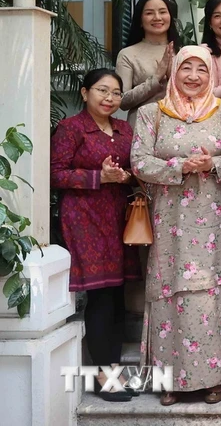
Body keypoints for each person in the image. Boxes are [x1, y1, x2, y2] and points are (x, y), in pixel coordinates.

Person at [131, 45, 221, 406]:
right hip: (170, 219)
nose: (193, 76)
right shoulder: (153, 114)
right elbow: (139, 161)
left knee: (213, 292)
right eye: (186, 68)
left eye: (201, 69)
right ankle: (171, 380)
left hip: (214, 217)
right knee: (171, 292)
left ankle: (215, 378)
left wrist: (212, 165)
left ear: (211, 74)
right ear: (175, 72)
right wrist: (181, 167)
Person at [51, 69, 139, 402]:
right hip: (84, 218)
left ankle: (112, 370)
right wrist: (97, 176)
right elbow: (55, 174)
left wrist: (124, 175)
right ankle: (102, 375)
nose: (110, 98)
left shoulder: (124, 128)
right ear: (85, 92)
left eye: (116, 93)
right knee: (100, 295)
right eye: (102, 90)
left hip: (119, 217)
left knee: (117, 294)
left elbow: (134, 171)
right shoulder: (71, 127)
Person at [116, 0, 181, 128]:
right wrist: (156, 78)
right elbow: (122, 101)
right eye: (149, 13)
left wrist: (171, 79)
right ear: (140, 20)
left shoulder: (182, 52)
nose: (157, 17)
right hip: (142, 128)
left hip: (179, 128)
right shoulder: (127, 54)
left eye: (162, 12)